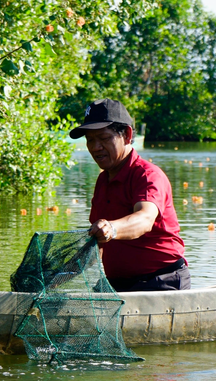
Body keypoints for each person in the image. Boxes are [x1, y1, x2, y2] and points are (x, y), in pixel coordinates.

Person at [69, 99, 190, 292]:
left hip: (161, 282)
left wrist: (111, 228)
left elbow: (144, 219)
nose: (95, 147)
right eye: (90, 140)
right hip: (118, 284)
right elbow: (97, 244)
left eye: (104, 138)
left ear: (127, 135)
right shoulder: (103, 180)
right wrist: (57, 277)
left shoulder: (148, 175)